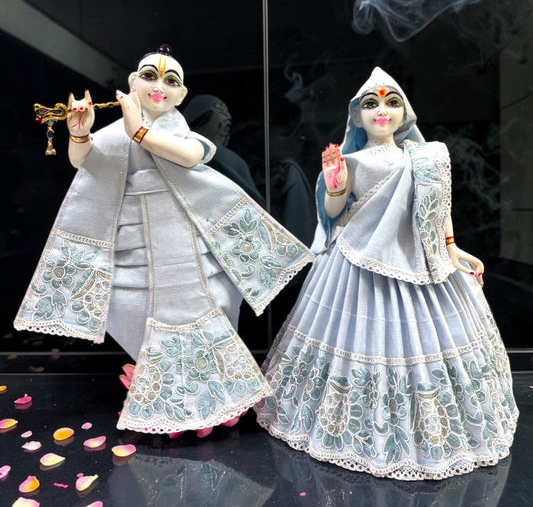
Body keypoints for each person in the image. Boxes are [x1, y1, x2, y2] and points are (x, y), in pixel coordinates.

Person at [15, 44, 313, 437]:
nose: (159, 86)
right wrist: (79, 133)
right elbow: (84, 161)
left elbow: (189, 155)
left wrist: (139, 130)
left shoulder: (179, 133)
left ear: (182, 94)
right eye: (149, 76)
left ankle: (217, 396)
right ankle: (165, 391)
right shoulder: (116, 133)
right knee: (135, 309)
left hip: (184, 239)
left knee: (209, 308)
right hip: (136, 239)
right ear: (132, 82)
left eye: (171, 80)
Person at [255, 67, 518, 480]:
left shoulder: (426, 156)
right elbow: (333, 213)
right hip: (356, 263)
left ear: (404, 113)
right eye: (371, 103)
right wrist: (336, 185)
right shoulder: (353, 160)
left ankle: (426, 424)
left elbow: (437, 209)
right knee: (360, 339)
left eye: (392, 102)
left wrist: (452, 248)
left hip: (418, 258)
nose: (382, 110)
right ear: (357, 116)